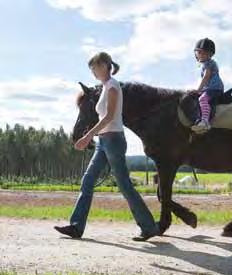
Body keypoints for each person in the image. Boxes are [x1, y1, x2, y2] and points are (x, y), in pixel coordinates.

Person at [54, 52, 160, 242]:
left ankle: (149, 226)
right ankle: (76, 226)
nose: (93, 72)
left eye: (95, 67)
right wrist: (94, 137)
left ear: (105, 66)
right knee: (88, 180)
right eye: (92, 69)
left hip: (113, 141)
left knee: (124, 185)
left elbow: (109, 116)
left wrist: (87, 136)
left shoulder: (112, 86)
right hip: (103, 143)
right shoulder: (104, 88)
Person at [191, 38, 225, 133]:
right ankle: (199, 119)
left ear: (210, 54)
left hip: (215, 88)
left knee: (202, 99)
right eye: (199, 52)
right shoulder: (205, 64)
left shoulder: (209, 64)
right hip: (210, 88)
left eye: (204, 53)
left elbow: (206, 77)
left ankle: (205, 121)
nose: (201, 55)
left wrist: (198, 90)